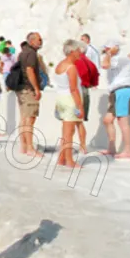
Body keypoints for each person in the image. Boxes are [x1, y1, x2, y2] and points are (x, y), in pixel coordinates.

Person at [100, 40, 130, 158]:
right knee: (107, 120)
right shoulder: (115, 60)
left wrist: (109, 53)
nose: (106, 51)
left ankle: (128, 150)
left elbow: (104, 65)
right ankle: (112, 148)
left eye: (108, 48)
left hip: (123, 91)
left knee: (123, 122)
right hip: (117, 92)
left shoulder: (119, 58)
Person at [54, 40, 86, 168]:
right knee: (69, 132)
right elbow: (73, 89)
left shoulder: (60, 65)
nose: (80, 53)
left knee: (65, 131)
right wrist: (80, 106)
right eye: (78, 51)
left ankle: (62, 158)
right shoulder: (70, 67)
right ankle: (69, 160)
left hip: (60, 99)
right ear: (72, 51)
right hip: (69, 101)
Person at [16, 32, 44, 157]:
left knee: (24, 118)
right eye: (39, 39)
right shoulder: (31, 53)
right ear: (32, 41)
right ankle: (30, 148)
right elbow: (29, 70)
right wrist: (36, 89)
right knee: (29, 119)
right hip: (28, 89)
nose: (41, 41)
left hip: (21, 88)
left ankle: (24, 146)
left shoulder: (23, 52)